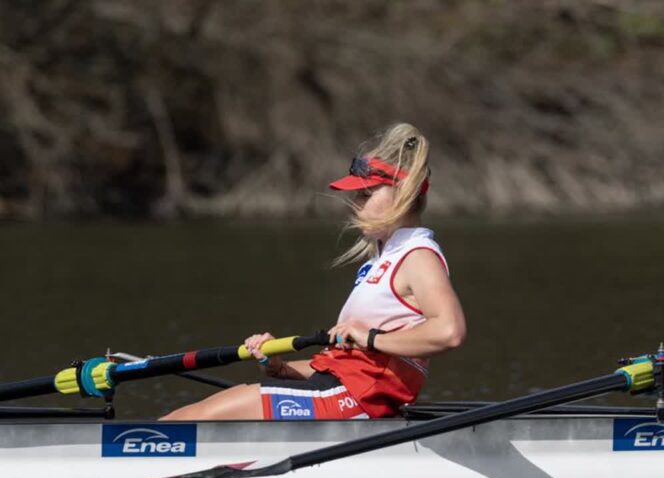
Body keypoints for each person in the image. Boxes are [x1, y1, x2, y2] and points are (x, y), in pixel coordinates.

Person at [163, 123, 466, 421]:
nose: (354, 203)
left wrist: (369, 337)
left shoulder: (417, 257)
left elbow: (449, 331)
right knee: (188, 416)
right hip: (339, 390)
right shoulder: (380, 261)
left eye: (366, 194)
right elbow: (344, 363)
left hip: (356, 398)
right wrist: (281, 369)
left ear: (402, 193)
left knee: (190, 419)